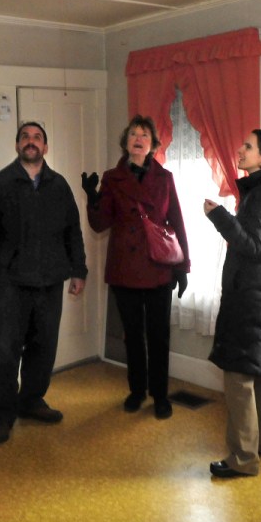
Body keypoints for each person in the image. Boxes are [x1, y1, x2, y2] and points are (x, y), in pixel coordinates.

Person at [0, 121, 87, 445]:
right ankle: (4, 412)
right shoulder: (0, 184)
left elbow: (73, 233)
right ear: (17, 145)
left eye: (37, 138)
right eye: (25, 137)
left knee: (43, 348)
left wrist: (79, 270)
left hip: (49, 282)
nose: (31, 142)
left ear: (45, 148)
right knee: (7, 352)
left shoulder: (59, 186)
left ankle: (32, 401)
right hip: (10, 284)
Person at [203, 129, 261, 478]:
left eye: (248, 146)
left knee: (240, 376)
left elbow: (252, 244)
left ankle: (243, 459)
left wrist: (218, 216)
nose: (240, 150)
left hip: (252, 296)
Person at [82, 115, 190, 420]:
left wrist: (183, 267)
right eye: (133, 134)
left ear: (153, 145)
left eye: (144, 135)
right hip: (125, 266)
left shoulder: (165, 178)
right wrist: (92, 198)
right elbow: (101, 223)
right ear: (126, 143)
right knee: (132, 334)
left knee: (158, 336)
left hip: (158, 266)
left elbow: (177, 221)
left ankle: (160, 395)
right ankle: (136, 390)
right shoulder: (111, 178)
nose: (138, 139)